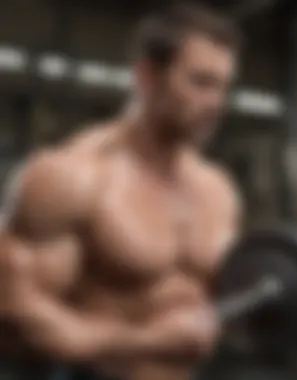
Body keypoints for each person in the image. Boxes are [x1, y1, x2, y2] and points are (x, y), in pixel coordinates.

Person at [0, 3, 242, 380]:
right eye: (201, 82)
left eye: (223, 87)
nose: (216, 103)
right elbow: (16, 315)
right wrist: (144, 341)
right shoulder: (72, 177)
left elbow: (230, 298)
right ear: (147, 77)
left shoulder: (218, 189)